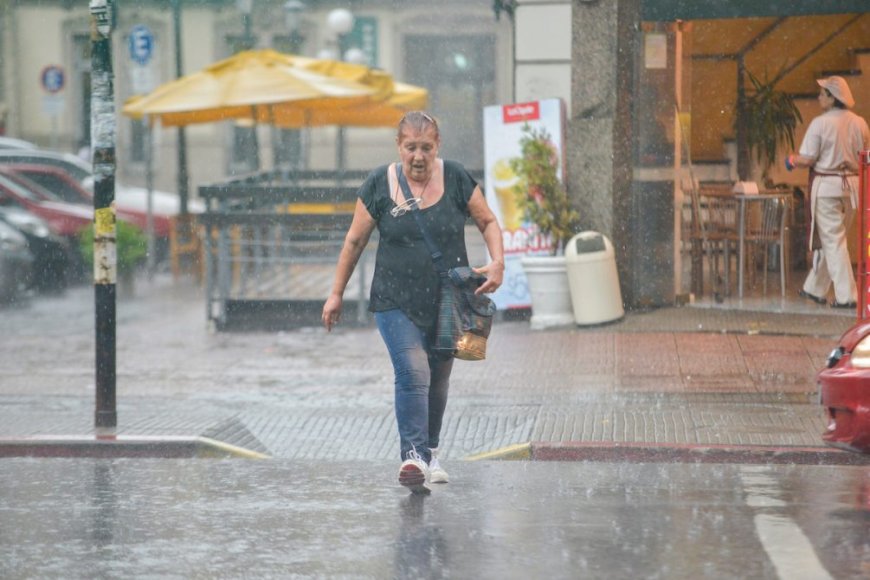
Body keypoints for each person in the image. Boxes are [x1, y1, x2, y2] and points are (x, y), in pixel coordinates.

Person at [322, 111, 505, 493]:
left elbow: (487, 221)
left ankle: (430, 451)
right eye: (411, 148)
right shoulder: (378, 184)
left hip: (447, 301)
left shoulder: (455, 178)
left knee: (438, 379)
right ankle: (413, 456)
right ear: (398, 147)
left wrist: (498, 262)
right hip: (394, 300)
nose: (418, 156)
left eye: (426, 148)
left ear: (437, 147)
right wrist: (336, 292)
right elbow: (354, 241)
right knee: (413, 372)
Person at [786, 76, 870, 308]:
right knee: (833, 240)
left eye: (823, 93)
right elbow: (865, 156)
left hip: (826, 188)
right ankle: (814, 288)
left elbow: (809, 158)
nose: (819, 97)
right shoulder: (859, 123)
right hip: (853, 188)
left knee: (833, 242)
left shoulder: (820, 123)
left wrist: (792, 160)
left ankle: (848, 296)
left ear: (833, 97)